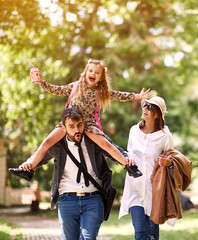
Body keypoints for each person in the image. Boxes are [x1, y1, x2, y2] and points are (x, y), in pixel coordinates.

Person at [23, 59, 151, 174]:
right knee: (48, 142)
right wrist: (41, 82)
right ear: (85, 72)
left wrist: (138, 96)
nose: (93, 74)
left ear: (101, 77)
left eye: (97, 72)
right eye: (90, 71)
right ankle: (29, 168)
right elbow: (57, 89)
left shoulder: (100, 92)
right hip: (69, 122)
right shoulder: (75, 86)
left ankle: (128, 165)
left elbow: (118, 95)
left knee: (105, 144)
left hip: (88, 123)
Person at [21, 108, 126, 239]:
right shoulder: (58, 146)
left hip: (93, 199)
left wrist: (128, 160)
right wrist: (28, 164)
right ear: (63, 128)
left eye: (79, 125)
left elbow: (113, 149)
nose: (77, 130)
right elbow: (39, 156)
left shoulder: (94, 141)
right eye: (71, 126)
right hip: (67, 200)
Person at [119, 96, 173, 240]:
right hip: (135, 189)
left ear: (157, 114)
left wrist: (167, 162)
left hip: (154, 191)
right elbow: (129, 151)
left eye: (149, 107)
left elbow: (171, 158)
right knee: (140, 233)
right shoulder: (134, 131)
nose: (144, 108)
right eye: (144, 105)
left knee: (152, 234)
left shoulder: (165, 135)